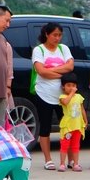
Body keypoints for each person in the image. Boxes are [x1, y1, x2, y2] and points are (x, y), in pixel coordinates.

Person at [31, 22, 74, 170]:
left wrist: (52, 70)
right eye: (54, 35)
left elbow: (70, 67)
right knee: (45, 126)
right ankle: (48, 159)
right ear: (47, 34)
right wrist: (61, 71)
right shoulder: (39, 50)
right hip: (44, 94)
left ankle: (70, 159)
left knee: (67, 126)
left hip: (63, 95)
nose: (57, 38)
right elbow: (41, 72)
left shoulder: (64, 49)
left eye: (59, 35)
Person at [57, 72, 87, 171]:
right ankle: (62, 163)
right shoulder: (63, 97)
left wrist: (85, 120)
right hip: (67, 126)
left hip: (77, 125)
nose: (71, 88)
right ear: (63, 86)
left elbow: (82, 109)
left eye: (73, 86)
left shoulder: (79, 97)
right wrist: (71, 93)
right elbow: (65, 102)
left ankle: (76, 163)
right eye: (68, 85)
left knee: (75, 145)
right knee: (64, 145)